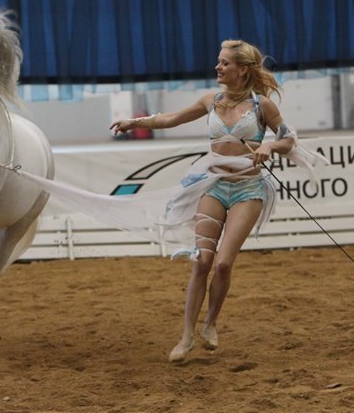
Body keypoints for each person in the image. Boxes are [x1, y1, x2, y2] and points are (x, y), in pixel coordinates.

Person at [111, 39, 305, 363]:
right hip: (213, 186)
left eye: (225, 63)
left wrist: (270, 147)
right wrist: (136, 122)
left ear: (242, 70)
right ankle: (187, 335)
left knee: (224, 263)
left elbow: (288, 138)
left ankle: (211, 322)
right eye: (218, 61)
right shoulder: (209, 101)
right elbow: (171, 119)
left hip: (248, 190)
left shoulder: (261, 106)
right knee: (202, 261)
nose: (218, 67)